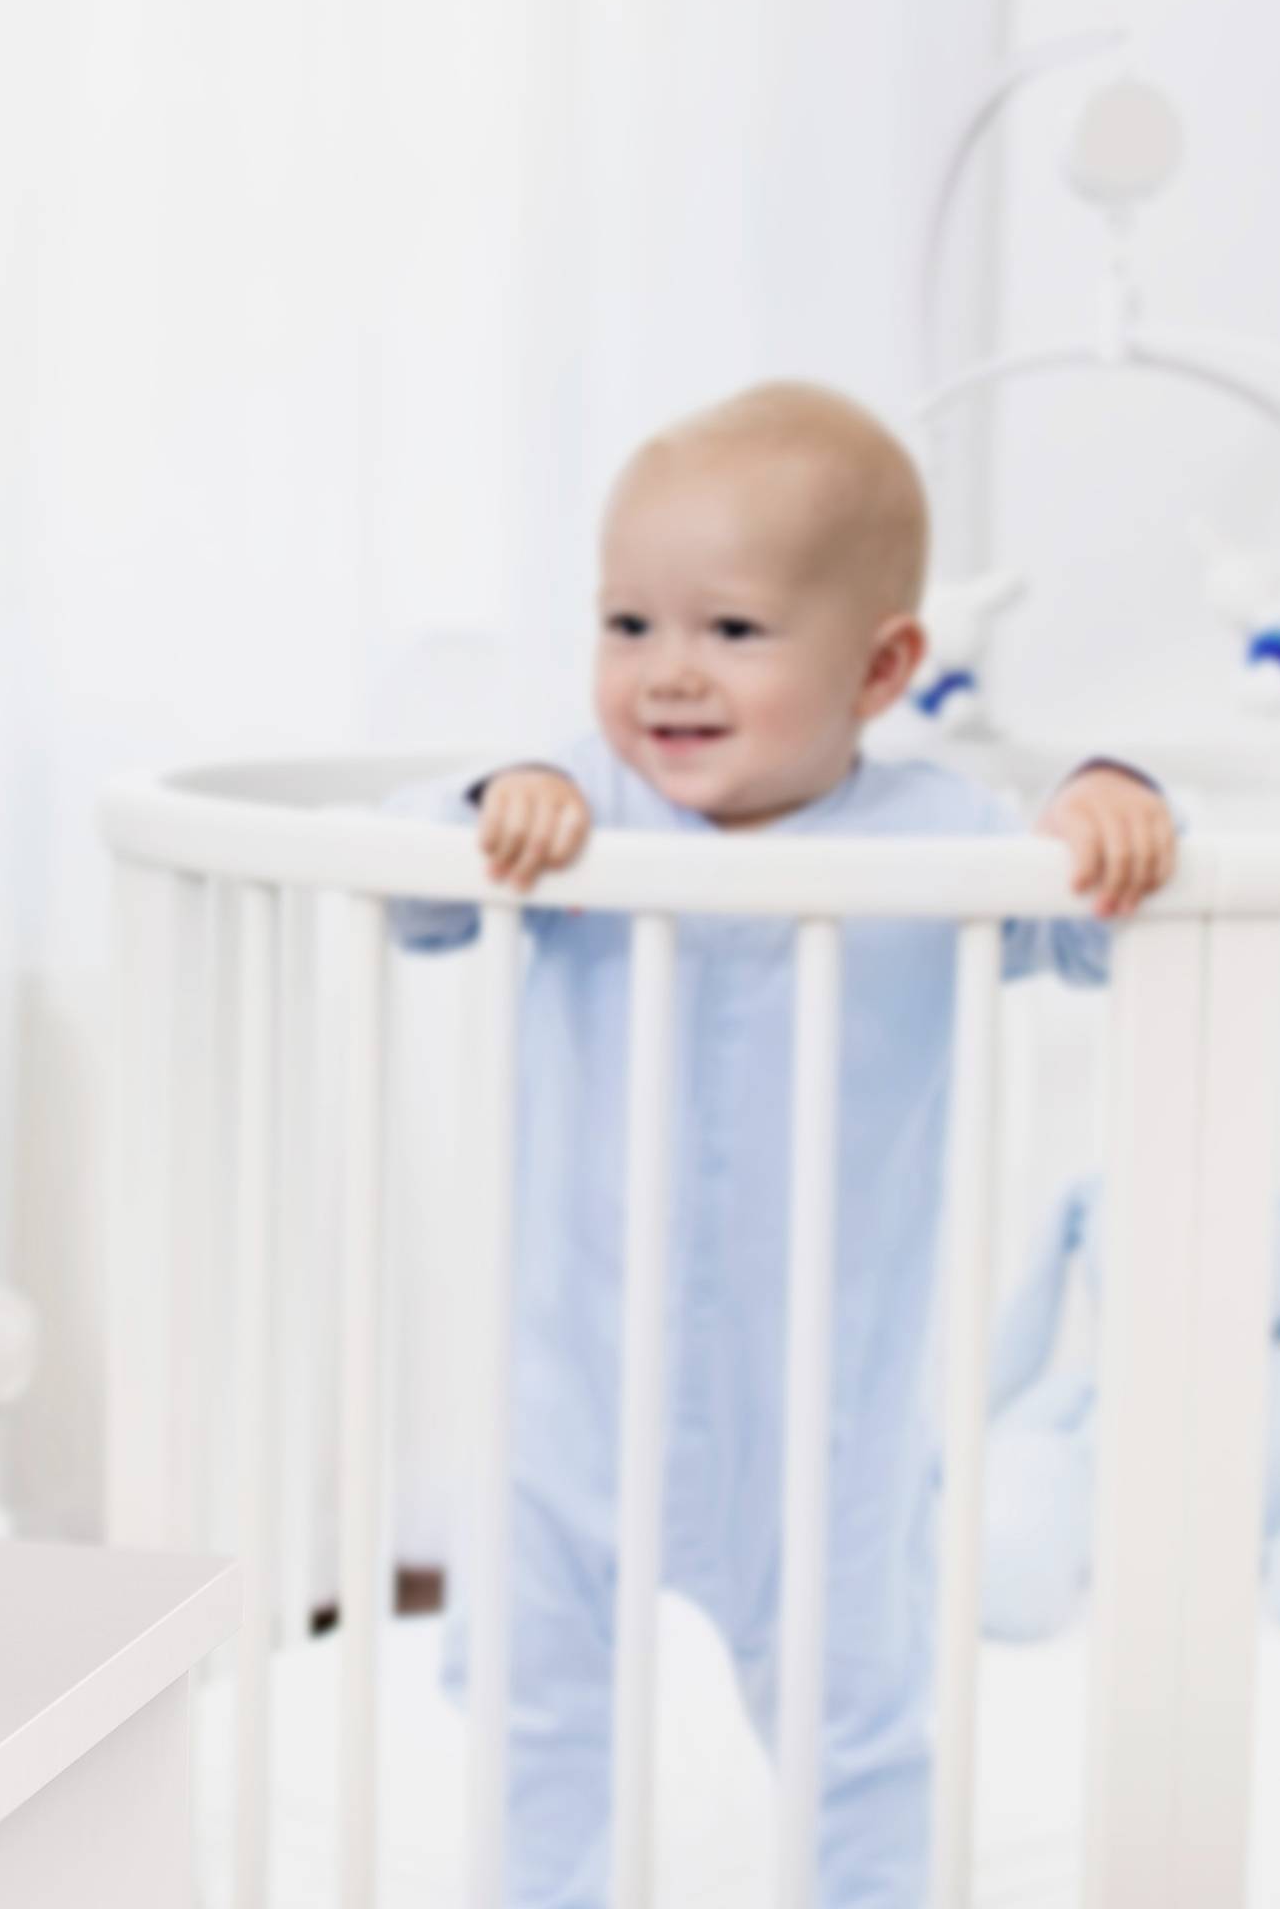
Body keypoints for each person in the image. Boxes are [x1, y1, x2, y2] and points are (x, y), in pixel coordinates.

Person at [388, 380, 1176, 1907]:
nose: (667, 675)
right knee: (542, 1705)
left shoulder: (941, 839)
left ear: (881, 666)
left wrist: (1113, 798)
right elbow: (418, 889)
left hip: (828, 1416)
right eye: (628, 626)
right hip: (577, 1392)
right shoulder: (578, 811)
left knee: (855, 1721)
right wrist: (503, 795)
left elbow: (1101, 933)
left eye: (732, 632)